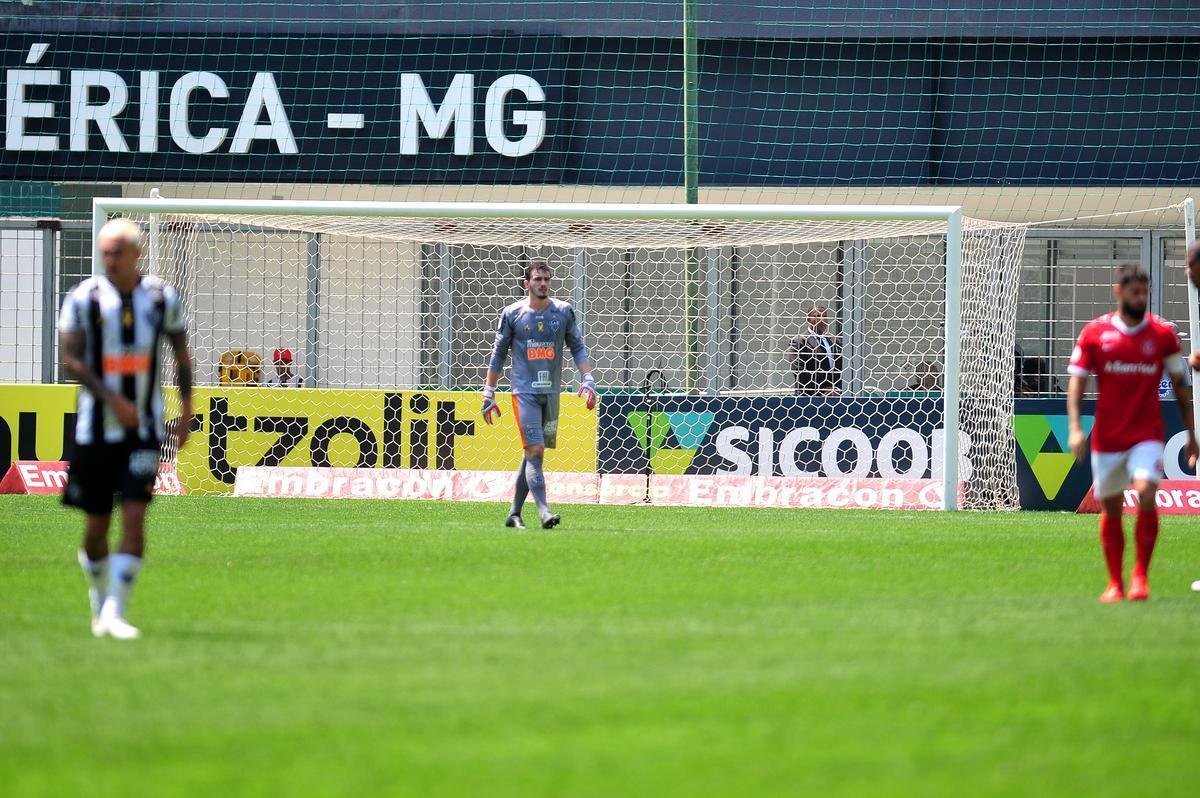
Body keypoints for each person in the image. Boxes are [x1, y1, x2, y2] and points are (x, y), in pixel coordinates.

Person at [59, 217, 194, 639]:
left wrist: (187, 411)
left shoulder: (161, 297)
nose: (110, 260)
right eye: (105, 253)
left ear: (137, 253)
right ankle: (100, 596)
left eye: (117, 252)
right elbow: (71, 360)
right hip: (96, 429)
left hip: (144, 430)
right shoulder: (83, 298)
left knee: (135, 517)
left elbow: (181, 355)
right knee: (96, 527)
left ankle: (115, 611)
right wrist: (113, 400)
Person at [1067, 262, 1197, 603]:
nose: (1140, 298)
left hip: (1147, 434)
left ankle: (1140, 575)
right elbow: (1077, 383)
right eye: (1134, 292)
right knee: (1111, 509)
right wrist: (1075, 428)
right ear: (1119, 292)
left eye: (1144, 292)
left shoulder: (1162, 336)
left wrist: (1192, 433)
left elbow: (1181, 386)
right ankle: (1115, 583)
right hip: (1108, 437)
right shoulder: (1095, 334)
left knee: (1146, 492)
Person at [482, 261, 597, 529]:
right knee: (535, 449)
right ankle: (544, 511)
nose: (543, 283)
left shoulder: (563, 311)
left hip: (551, 394)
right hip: (524, 393)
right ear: (526, 283)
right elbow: (498, 354)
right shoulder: (513, 313)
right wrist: (489, 391)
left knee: (532, 453)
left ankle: (514, 513)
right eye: (537, 279)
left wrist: (588, 378)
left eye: (546, 279)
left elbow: (577, 347)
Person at [787, 304, 841, 395]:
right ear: (808, 319)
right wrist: (823, 391)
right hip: (809, 397)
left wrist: (836, 389)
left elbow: (841, 369)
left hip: (835, 397)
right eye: (817, 316)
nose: (822, 319)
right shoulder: (799, 341)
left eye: (824, 316)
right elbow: (799, 371)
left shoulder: (834, 341)